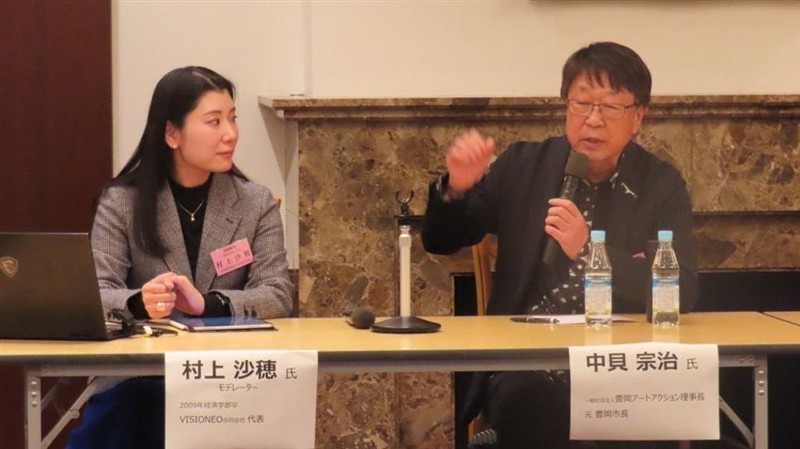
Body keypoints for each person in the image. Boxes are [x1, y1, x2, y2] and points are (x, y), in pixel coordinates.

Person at [422, 42, 698, 448]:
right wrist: (456, 189)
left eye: (611, 107)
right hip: (528, 360)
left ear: (638, 116)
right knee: (533, 405)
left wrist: (589, 252)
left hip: (620, 365)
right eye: (581, 104)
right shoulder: (524, 165)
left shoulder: (660, 184)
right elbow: (442, 240)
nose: (593, 120)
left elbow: (681, 291)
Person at [67, 66, 294, 449]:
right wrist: (139, 302)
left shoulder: (255, 203)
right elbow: (96, 292)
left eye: (232, 118)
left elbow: (278, 294)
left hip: (230, 376)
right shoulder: (122, 202)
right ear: (172, 134)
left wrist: (208, 304)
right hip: (141, 373)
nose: (230, 134)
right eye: (214, 121)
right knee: (134, 407)